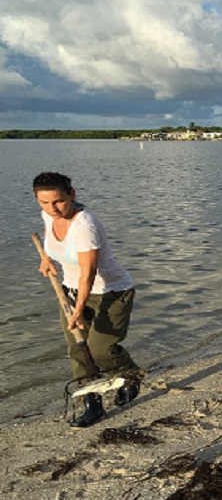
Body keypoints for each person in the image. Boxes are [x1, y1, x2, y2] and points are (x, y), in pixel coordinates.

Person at [33, 172, 141, 428]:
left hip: (111, 293)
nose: (52, 208)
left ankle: (129, 376)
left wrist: (79, 309)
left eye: (58, 201)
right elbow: (53, 242)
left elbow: (88, 275)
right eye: (45, 203)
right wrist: (47, 258)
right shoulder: (48, 215)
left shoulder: (85, 226)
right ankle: (92, 404)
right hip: (70, 290)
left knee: (101, 349)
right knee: (78, 350)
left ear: (72, 194)